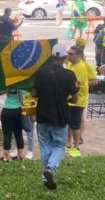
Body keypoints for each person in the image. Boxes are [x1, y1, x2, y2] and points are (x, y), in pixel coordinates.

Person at [31, 43, 78, 190]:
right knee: (58, 145)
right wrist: (67, 98)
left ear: (52, 56)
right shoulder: (70, 75)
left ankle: (46, 177)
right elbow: (75, 98)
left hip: (42, 114)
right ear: (65, 58)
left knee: (45, 145)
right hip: (61, 115)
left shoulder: (41, 72)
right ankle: (50, 168)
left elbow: (33, 93)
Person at [65, 46, 97, 157]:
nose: (68, 56)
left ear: (79, 55)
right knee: (68, 123)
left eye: (70, 54)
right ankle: (68, 143)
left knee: (75, 125)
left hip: (77, 100)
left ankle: (76, 147)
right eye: (68, 53)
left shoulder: (80, 67)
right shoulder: (71, 64)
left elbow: (76, 85)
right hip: (70, 100)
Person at [0, 89, 25, 162]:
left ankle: (6, 158)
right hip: (19, 110)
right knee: (19, 134)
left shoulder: (9, 82)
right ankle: (20, 156)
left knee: (7, 134)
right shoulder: (23, 83)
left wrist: (8, 88)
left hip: (7, 110)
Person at [21, 91, 37, 160]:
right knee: (17, 129)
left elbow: (37, 97)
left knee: (29, 130)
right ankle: (18, 149)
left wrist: (34, 113)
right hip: (19, 105)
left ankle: (30, 150)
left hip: (30, 105)